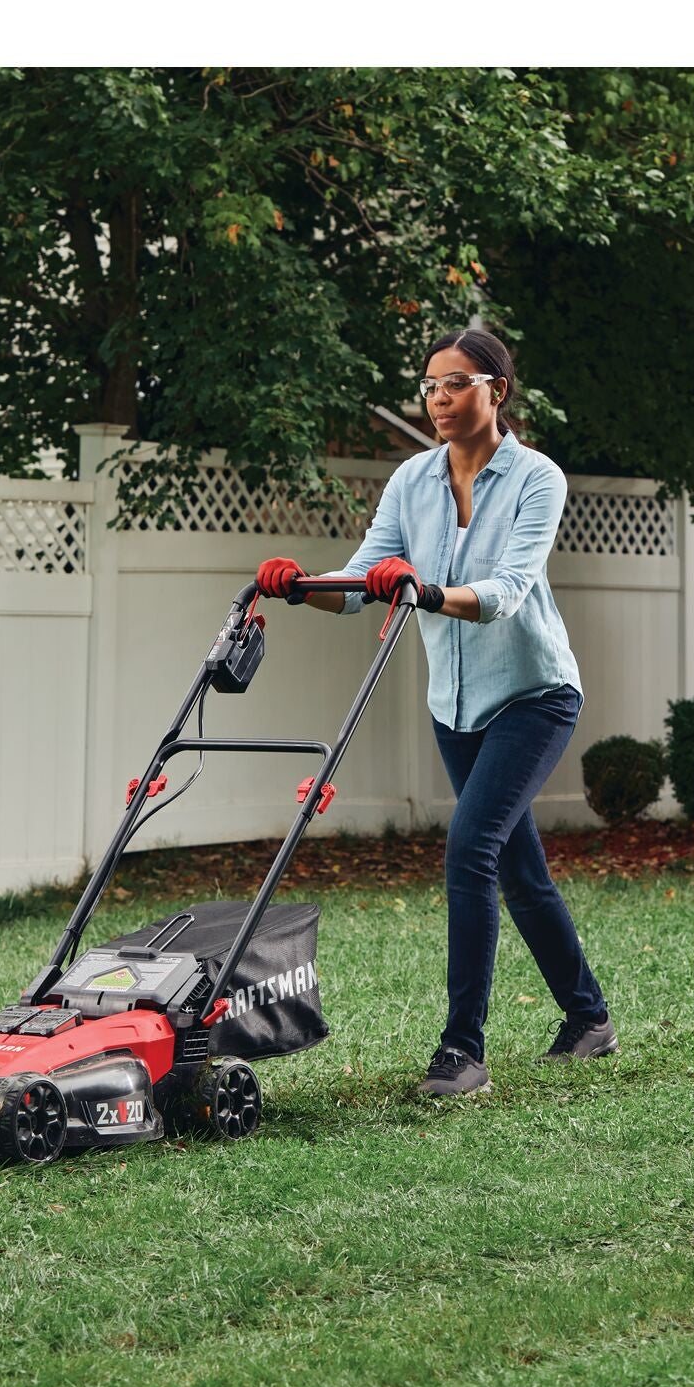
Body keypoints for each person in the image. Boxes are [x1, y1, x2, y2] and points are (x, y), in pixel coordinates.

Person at [255, 329, 615, 1098]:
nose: (439, 399)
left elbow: (508, 591)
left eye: (456, 384)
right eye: (429, 387)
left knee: (471, 849)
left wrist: (419, 590)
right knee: (518, 869)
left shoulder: (536, 479)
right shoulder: (411, 482)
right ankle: (589, 1018)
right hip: (455, 707)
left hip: (535, 695)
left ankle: (463, 1052)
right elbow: (359, 581)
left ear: (497, 390)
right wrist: (300, 586)